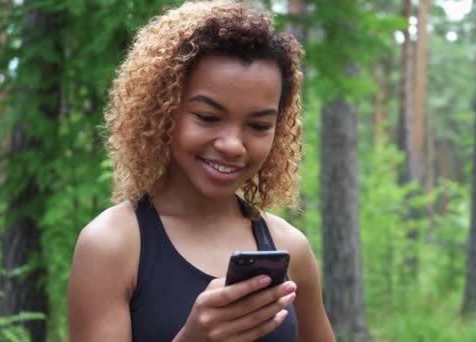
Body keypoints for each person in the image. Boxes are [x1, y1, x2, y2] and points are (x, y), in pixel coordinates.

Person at [67, 0, 335, 341]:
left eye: (258, 125)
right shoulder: (111, 245)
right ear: (162, 110)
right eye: (208, 118)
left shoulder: (289, 248)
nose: (233, 145)